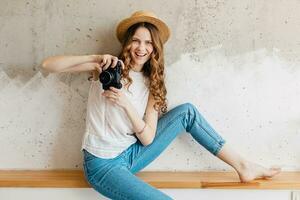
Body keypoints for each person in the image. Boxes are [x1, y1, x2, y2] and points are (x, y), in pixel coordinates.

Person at [42, 10, 281, 200]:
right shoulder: (107, 68)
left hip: (131, 154)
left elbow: (147, 138)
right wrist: (93, 59)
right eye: (136, 41)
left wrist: (126, 104)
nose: (141, 48)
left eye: (148, 43)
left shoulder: (152, 83)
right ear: (128, 43)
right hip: (101, 164)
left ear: (155, 47)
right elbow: (48, 65)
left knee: (187, 111)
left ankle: (243, 165)